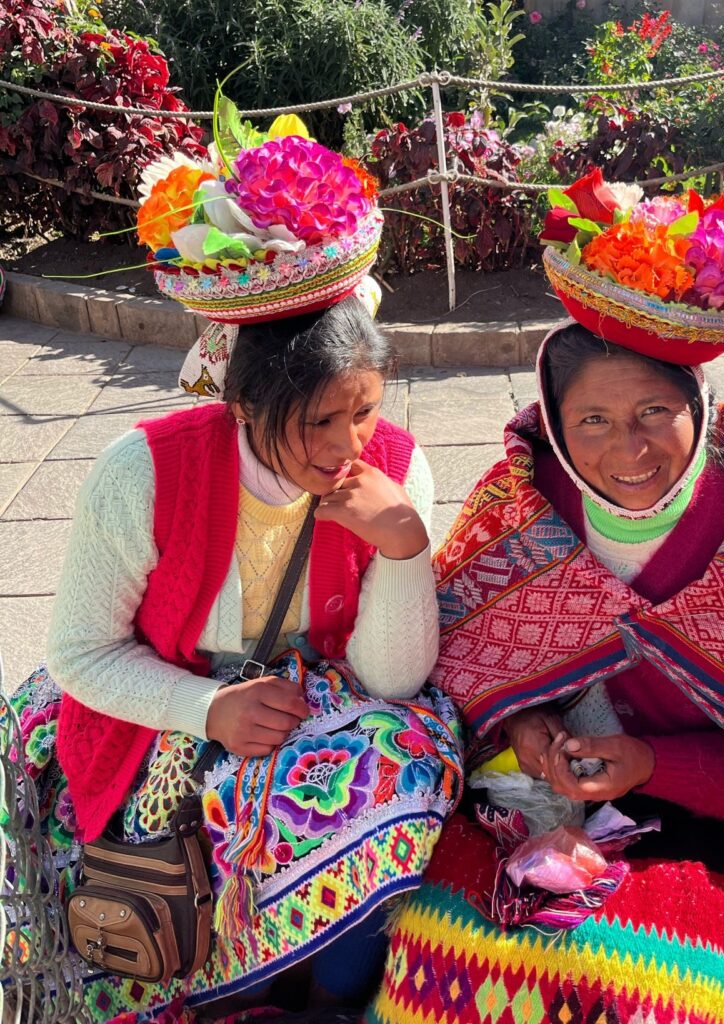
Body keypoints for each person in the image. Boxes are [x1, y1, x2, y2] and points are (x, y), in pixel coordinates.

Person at [367, 179, 724, 1024]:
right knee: (443, 962)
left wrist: (651, 765)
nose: (626, 447)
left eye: (654, 411)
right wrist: (515, 728)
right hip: (529, 802)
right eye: (593, 422)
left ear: (701, 410)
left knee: (642, 990)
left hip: (713, 822)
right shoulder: (519, 511)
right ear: (557, 426)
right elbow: (458, 676)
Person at [6, 118, 461, 1024]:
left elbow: (390, 680)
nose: (346, 449)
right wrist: (206, 708)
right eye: (317, 423)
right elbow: (80, 654)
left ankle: (322, 998)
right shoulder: (144, 472)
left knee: (394, 787)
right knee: (165, 879)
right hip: (161, 701)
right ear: (244, 403)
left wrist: (404, 549)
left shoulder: (395, 471)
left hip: (315, 701)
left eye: (363, 412)